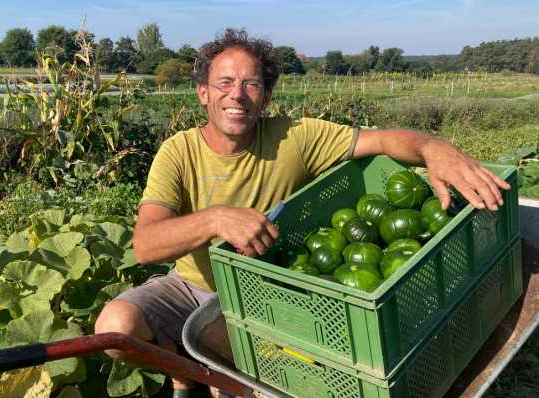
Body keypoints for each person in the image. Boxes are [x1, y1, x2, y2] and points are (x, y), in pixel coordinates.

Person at [94, 28, 509, 397]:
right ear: (203, 92)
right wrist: (215, 217)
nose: (236, 94)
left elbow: (383, 140)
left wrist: (432, 149)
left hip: (271, 291)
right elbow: (146, 244)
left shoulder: (297, 137)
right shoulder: (178, 152)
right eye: (224, 82)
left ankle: (223, 373)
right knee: (115, 329)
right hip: (191, 285)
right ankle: (185, 371)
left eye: (251, 83)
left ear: (266, 95)